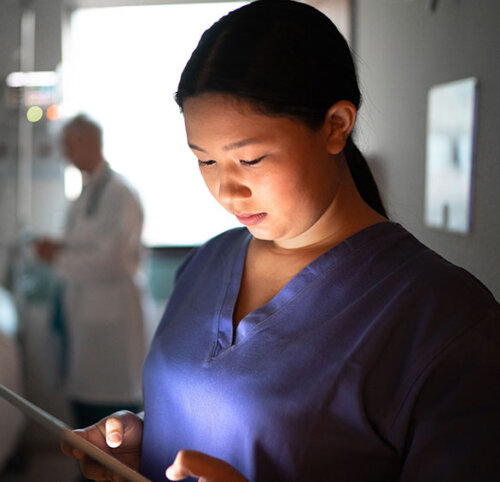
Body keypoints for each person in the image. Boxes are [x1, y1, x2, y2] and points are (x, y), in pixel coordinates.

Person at [61, 2, 500, 481]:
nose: (226, 190)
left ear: (335, 126)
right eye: (205, 161)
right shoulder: (208, 263)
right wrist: (145, 441)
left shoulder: (445, 317)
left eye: (249, 160)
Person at [34, 114, 149, 431]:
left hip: (111, 322)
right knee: (85, 412)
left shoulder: (119, 193)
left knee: (114, 420)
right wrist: (57, 249)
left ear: (87, 142)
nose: (65, 154)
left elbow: (112, 259)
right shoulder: (86, 193)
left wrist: (57, 258)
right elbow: (84, 244)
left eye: (67, 145)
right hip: (85, 321)